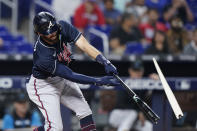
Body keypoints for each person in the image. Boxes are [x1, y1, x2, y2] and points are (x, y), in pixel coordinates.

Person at [26, 12, 120, 131]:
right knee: (55, 128)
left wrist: (105, 61)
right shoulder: (42, 54)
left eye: (54, 30)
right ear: (39, 33)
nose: (53, 34)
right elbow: (70, 75)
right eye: (49, 33)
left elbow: (84, 45)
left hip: (61, 79)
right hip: (43, 86)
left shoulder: (63, 27)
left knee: (85, 111)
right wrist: (98, 81)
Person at [109, 60, 154, 131]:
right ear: (130, 71)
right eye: (135, 71)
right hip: (117, 115)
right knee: (132, 113)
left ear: (142, 71)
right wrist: (138, 112)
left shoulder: (144, 85)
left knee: (148, 127)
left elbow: (147, 101)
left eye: (139, 71)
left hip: (133, 120)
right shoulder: (125, 82)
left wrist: (154, 81)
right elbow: (121, 104)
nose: (137, 73)